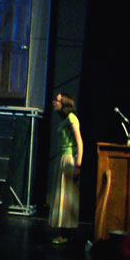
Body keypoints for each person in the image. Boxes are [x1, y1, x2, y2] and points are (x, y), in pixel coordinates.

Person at [48, 93, 83, 245]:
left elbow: (79, 143)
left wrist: (78, 165)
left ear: (64, 103)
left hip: (69, 159)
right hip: (62, 158)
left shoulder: (71, 118)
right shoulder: (64, 120)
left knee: (67, 195)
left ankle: (66, 233)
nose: (54, 102)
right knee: (62, 195)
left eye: (57, 100)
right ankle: (64, 232)